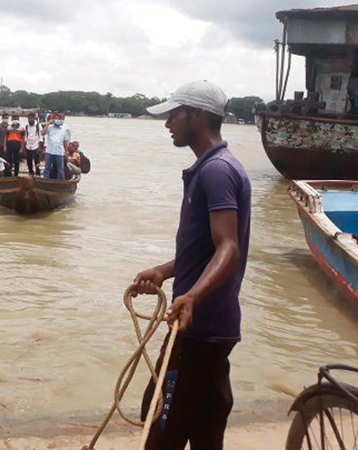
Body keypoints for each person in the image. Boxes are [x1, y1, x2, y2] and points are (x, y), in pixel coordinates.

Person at [132, 81, 251, 450]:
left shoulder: (215, 172)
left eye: (174, 113)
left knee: (160, 428)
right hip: (216, 325)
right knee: (205, 431)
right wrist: (166, 272)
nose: (168, 122)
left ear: (197, 116)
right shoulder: (215, 167)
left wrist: (192, 295)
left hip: (198, 330)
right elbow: (206, 250)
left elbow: (228, 248)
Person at [41, 112, 70, 179]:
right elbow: (42, 133)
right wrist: (48, 123)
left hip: (59, 152)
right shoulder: (50, 127)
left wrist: (66, 151)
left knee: (60, 169)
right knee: (46, 169)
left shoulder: (64, 129)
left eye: (60, 119)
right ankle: (45, 181)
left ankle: (61, 183)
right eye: (56, 118)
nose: (58, 120)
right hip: (49, 152)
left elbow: (65, 141)